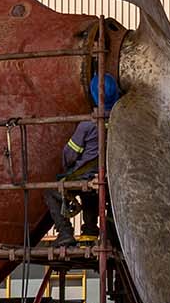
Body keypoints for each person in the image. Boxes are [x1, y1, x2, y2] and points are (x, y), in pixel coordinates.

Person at [45, 76, 118, 244]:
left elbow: (69, 154)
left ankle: (65, 233)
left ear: (91, 95)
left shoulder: (87, 126)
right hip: (108, 178)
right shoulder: (118, 123)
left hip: (86, 176)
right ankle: (91, 231)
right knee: (93, 193)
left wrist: (67, 170)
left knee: (50, 192)